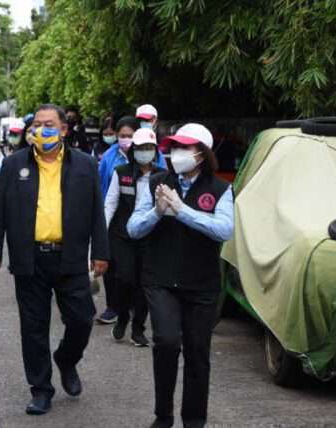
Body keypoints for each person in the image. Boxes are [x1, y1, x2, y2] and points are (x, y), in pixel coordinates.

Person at [0, 104, 109, 416]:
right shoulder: (14, 164)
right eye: (37, 125)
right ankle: (41, 390)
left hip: (71, 257)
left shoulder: (85, 165)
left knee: (82, 319)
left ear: (64, 129)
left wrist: (101, 252)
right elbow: (0, 209)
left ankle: (66, 359)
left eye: (49, 124)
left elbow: (97, 211)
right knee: (33, 327)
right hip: (30, 258)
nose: (42, 130)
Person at [127, 123, 234, 428]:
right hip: (161, 279)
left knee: (197, 353)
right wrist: (158, 212)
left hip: (202, 284)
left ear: (201, 154)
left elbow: (224, 230)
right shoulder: (156, 183)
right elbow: (133, 229)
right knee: (166, 342)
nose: (176, 154)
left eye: (184, 148)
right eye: (174, 147)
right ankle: (163, 416)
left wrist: (182, 210)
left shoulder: (221, 189)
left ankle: (194, 420)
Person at [104, 128, 163, 347]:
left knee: (144, 284)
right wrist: (101, 234)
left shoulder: (162, 176)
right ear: (133, 150)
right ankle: (122, 318)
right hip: (122, 236)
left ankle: (138, 329)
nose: (144, 152)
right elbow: (110, 204)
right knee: (124, 279)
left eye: (149, 148)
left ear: (155, 150)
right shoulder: (121, 172)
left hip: (149, 237)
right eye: (140, 148)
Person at [95, 116, 138, 324]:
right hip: (113, 215)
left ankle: (133, 305)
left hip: (139, 217)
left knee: (133, 266)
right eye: (122, 135)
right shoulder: (109, 157)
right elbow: (99, 184)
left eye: (130, 136)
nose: (125, 139)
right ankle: (112, 307)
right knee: (110, 263)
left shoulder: (152, 155)